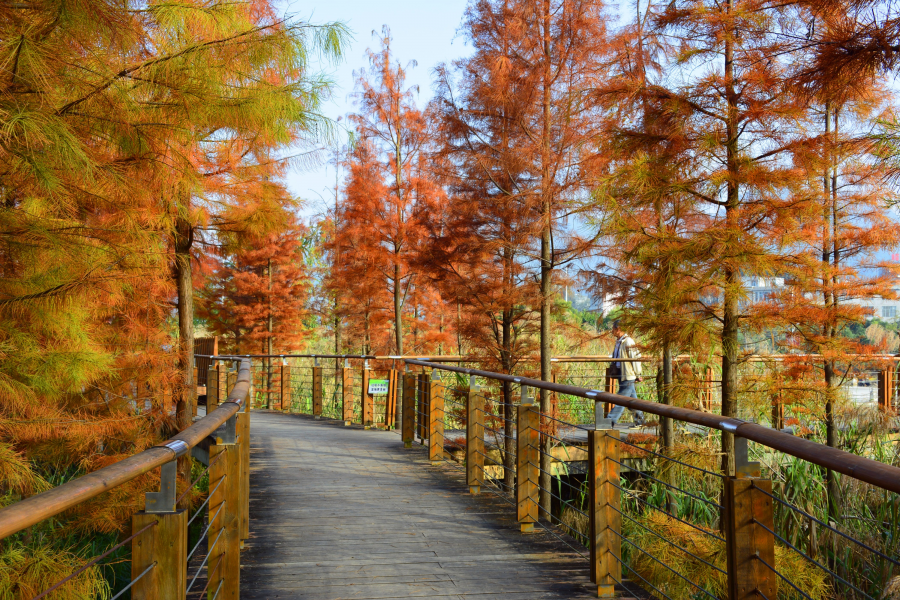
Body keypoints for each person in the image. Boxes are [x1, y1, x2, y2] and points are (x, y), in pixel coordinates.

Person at [607, 320, 645, 426]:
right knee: (631, 401)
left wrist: (638, 374)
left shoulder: (628, 341)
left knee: (621, 400)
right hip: (621, 373)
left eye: (613, 328)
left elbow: (635, 359)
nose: (612, 331)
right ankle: (640, 421)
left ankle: (609, 421)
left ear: (618, 329)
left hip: (627, 375)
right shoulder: (619, 341)